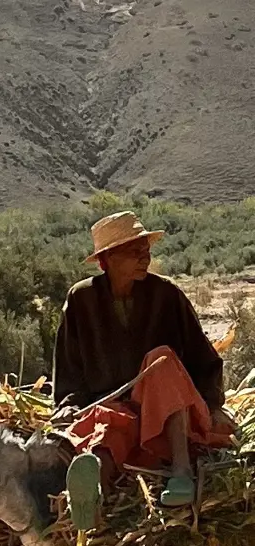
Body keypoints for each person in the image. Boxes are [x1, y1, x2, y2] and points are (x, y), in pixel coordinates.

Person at [53, 210, 234, 529]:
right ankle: (91, 494)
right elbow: (70, 367)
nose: (145, 257)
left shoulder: (167, 294)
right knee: (106, 432)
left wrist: (213, 404)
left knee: (160, 360)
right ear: (106, 260)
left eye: (145, 249)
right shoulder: (81, 299)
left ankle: (181, 470)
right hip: (120, 408)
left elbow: (203, 358)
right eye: (133, 251)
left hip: (171, 413)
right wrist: (69, 406)